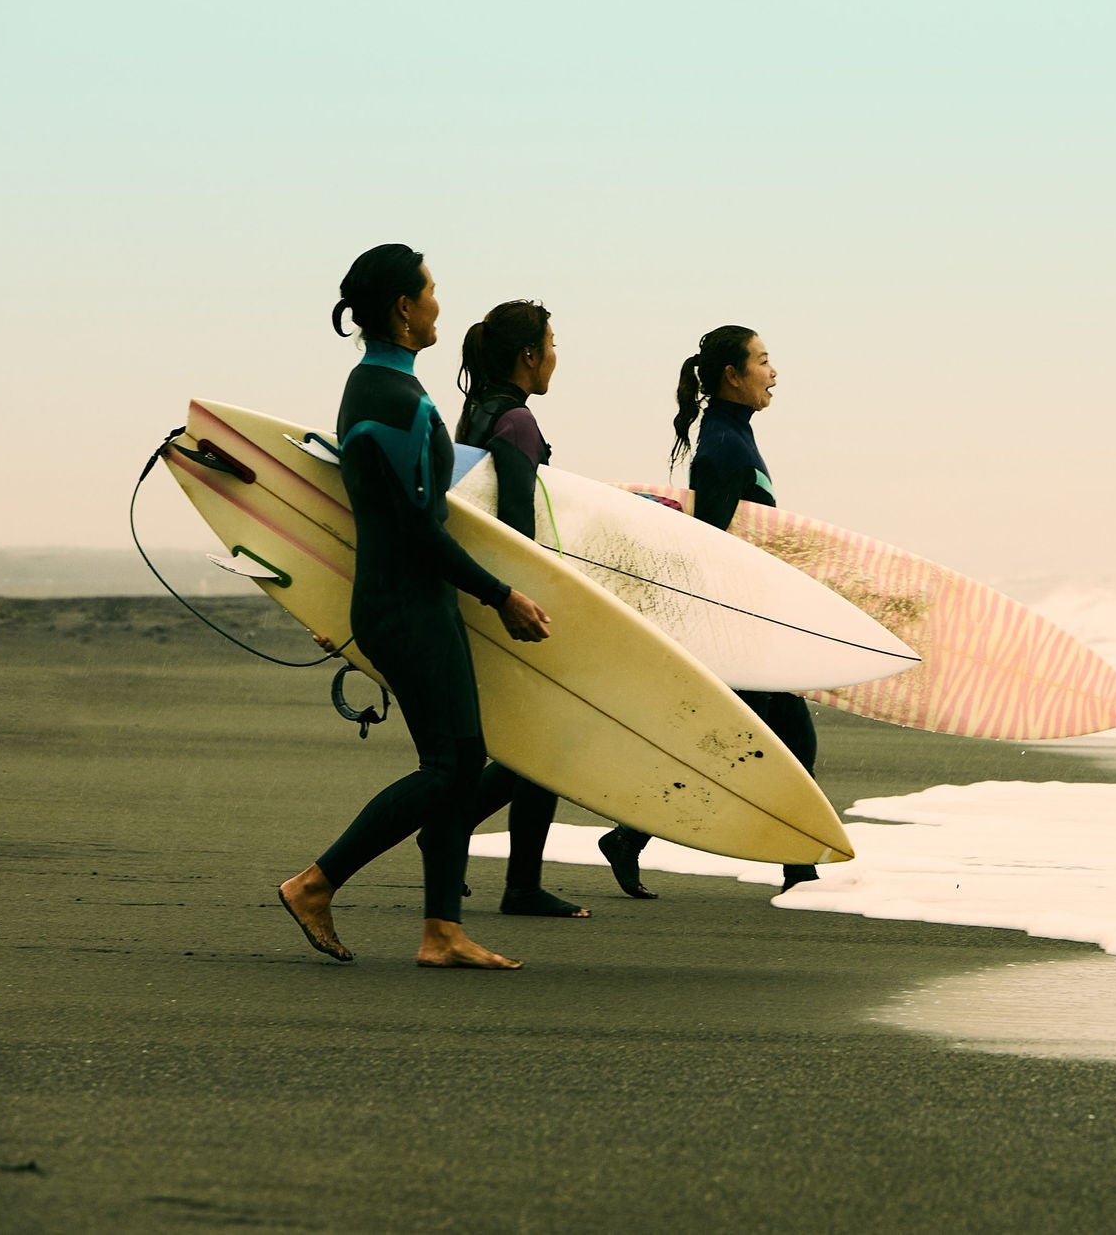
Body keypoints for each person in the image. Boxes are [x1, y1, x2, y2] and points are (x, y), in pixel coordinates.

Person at [276, 245, 550, 969]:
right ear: (404, 307)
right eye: (430, 291)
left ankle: (442, 931)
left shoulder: (381, 388)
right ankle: (315, 883)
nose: (438, 305)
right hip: (405, 608)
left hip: (412, 601)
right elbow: (416, 530)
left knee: (461, 758)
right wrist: (501, 594)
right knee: (448, 766)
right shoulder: (391, 401)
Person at [598, 326, 819, 898]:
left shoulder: (733, 434)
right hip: (737, 628)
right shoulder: (723, 445)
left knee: (784, 742)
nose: (774, 373)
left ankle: (798, 868)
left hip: (754, 622)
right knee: (739, 746)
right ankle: (633, 835)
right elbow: (710, 544)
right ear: (732, 375)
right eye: (763, 361)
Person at [451, 300, 589, 918]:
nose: (556, 357)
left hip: (479, 589)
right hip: (510, 597)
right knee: (543, 744)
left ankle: (458, 837)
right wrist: (525, 598)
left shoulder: (477, 411)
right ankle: (516, 882)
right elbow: (515, 522)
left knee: (524, 743)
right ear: (529, 355)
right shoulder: (517, 421)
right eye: (551, 345)